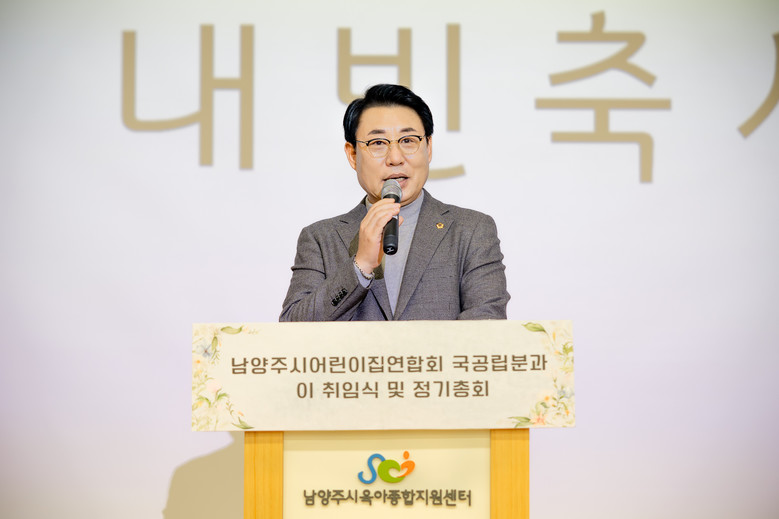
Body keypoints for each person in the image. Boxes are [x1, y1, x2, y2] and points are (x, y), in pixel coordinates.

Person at [280, 84, 509, 321]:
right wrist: (360, 266)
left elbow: (486, 325)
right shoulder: (320, 239)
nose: (396, 158)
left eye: (408, 140)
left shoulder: (471, 230)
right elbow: (293, 326)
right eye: (378, 143)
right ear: (353, 155)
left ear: (428, 148)